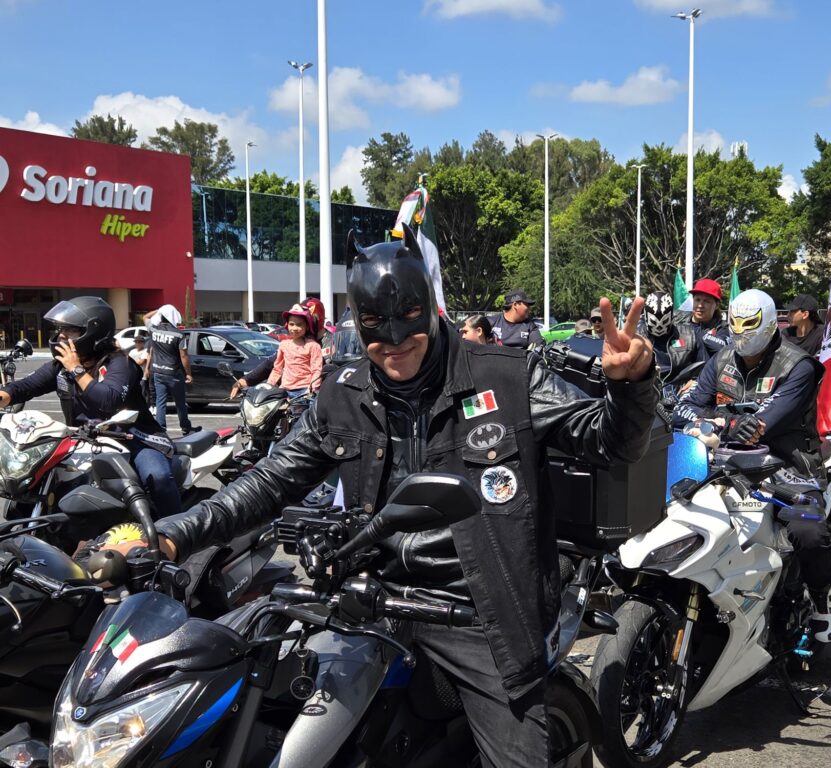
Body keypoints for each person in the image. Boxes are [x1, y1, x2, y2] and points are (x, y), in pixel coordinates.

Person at [126, 227, 656, 767]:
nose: (395, 339)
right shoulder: (342, 393)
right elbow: (271, 480)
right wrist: (173, 534)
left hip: (480, 616)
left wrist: (630, 384)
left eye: (409, 318)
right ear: (358, 322)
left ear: (430, 307)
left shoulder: (509, 377)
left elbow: (611, 443)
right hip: (368, 601)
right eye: (376, 325)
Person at [674, 288, 831, 644]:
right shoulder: (721, 360)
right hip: (722, 463)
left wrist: (713, 422)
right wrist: (720, 423)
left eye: (749, 325)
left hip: (789, 466)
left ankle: (823, 596)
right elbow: (685, 407)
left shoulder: (799, 365)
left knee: (808, 530)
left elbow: (764, 423)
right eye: (735, 324)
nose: (741, 333)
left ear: (767, 325)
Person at [0, 297, 181, 517]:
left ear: (93, 332)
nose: (61, 337)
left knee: (158, 478)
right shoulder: (61, 366)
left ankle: (172, 530)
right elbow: (25, 387)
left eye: (70, 331)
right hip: (85, 441)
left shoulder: (119, 363)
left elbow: (109, 399)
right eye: (60, 330)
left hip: (135, 439)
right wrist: (5, 396)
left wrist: (76, 370)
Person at [143, 304, 195, 436]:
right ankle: (186, 428)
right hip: (174, 373)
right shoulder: (179, 334)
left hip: (158, 372)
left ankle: (161, 430)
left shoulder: (153, 329)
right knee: (180, 402)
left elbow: (145, 317)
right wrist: (188, 374)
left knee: (160, 402)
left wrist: (159, 310)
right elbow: (184, 356)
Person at [268, 304, 322, 397]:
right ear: (287, 325)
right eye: (291, 324)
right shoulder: (283, 345)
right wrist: (268, 386)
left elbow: (316, 370)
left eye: (299, 325)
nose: (295, 328)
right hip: (285, 390)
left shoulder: (313, 346)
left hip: (304, 391)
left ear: (307, 326)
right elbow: (277, 369)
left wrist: (312, 390)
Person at [673, 278, 730, 361]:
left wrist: (700, 335)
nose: (700, 305)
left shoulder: (722, 328)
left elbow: (722, 348)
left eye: (706, 301)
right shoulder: (677, 321)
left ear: (717, 305)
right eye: (697, 300)